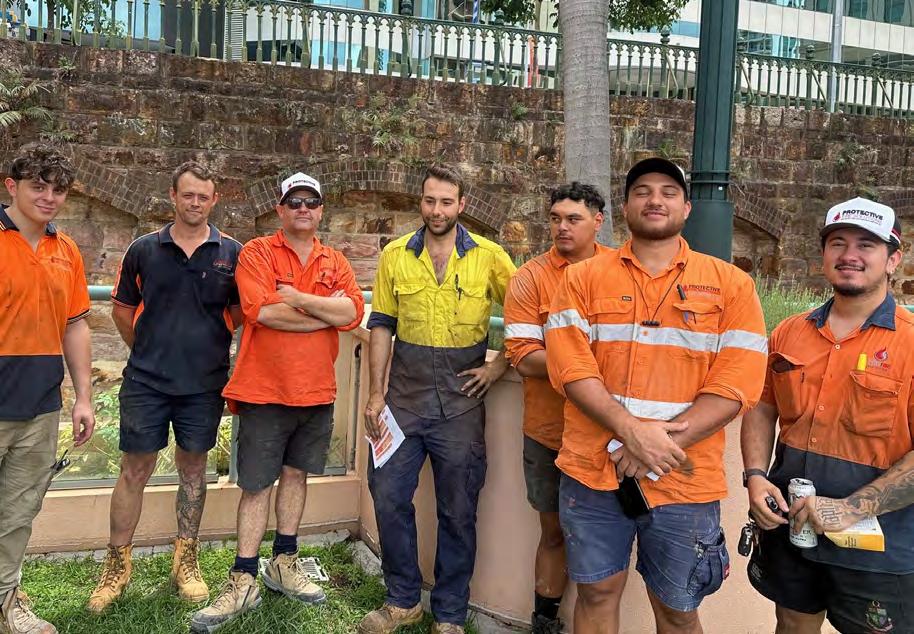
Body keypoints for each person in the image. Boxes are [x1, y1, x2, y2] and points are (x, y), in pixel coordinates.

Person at [544, 157, 768, 634]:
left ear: (686, 208)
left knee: (678, 610)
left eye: (668, 192)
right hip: (592, 472)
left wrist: (657, 445)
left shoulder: (732, 285)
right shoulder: (580, 279)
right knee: (595, 594)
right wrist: (632, 432)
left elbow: (737, 383)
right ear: (625, 207)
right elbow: (570, 368)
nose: (655, 200)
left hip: (683, 476)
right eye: (642, 191)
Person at [191, 172, 364, 632]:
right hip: (264, 390)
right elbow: (261, 312)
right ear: (281, 209)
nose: (303, 209)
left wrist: (301, 300)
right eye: (295, 202)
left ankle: (284, 561)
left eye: (311, 202)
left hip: (316, 391)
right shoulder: (257, 252)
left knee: (296, 475)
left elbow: (352, 313)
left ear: (321, 210)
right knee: (256, 485)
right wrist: (325, 312)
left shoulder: (335, 259)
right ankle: (243, 577)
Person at [742, 197, 914, 634]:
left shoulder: (911, 343)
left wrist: (850, 509)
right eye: (838, 243)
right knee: (791, 623)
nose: (849, 255)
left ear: (894, 259)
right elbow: (762, 407)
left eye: (866, 245)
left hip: (880, 545)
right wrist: (756, 476)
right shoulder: (790, 332)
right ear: (823, 254)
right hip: (791, 525)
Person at [359, 164, 516, 634]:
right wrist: (375, 394)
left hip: (461, 405)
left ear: (462, 205)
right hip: (402, 402)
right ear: (420, 202)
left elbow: (528, 317)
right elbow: (381, 325)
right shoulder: (395, 255)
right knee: (388, 496)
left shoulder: (490, 257)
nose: (437, 210)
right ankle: (402, 599)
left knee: (458, 511)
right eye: (430, 201)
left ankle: (449, 614)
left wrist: (498, 366)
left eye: (447, 202)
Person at [88, 161, 243, 613]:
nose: (195, 203)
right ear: (172, 196)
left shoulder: (232, 252)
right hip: (146, 381)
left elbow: (238, 313)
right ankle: (116, 565)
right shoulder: (144, 250)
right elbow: (122, 310)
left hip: (204, 384)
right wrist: (149, 349)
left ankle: (185, 561)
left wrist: (204, 344)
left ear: (214, 200)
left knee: (193, 469)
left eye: (203, 196)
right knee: (133, 469)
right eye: (187, 195)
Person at [503, 182, 610, 633]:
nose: (562, 227)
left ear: (598, 222)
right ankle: (544, 623)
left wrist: (570, 358)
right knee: (553, 532)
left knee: (600, 537)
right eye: (555, 219)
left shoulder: (619, 272)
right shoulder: (530, 277)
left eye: (573, 219)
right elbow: (523, 357)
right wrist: (588, 361)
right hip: (548, 432)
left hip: (606, 434)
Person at [0, 144, 94, 634]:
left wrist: (83, 396)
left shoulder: (66, 250)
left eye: (58, 190)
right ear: (11, 187)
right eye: (38, 186)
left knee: (17, 513)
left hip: (39, 405)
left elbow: (75, 324)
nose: (49, 197)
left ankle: (6, 602)